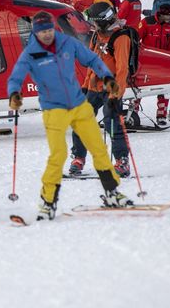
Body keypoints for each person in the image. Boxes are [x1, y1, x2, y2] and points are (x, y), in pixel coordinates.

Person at [7, 11, 130, 221]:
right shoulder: (31, 53)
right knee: (59, 155)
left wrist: (107, 77)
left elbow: (92, 59)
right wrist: (14, 94)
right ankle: (48, 202)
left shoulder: (67, 43)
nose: (46, 35)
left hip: (78, 104)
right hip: (54, 109)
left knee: (98, 149)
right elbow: (15, 77)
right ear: (36, 33)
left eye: (48, 30)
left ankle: (112, 193)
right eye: (42, 32)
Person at [70, 3, 132, 178]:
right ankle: (78, 157)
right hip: (94, 86)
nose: (93, 26)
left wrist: (115, 94)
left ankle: (121, 161)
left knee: (112, 122)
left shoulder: (120, 37)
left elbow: (122, 69)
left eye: (95, 22)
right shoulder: (97, 36)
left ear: (104, 21)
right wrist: (84, 86)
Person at [139, 4, 170, 125]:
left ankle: (162, 114)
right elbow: (136, 38)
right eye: (168, 15)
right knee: (139, 87)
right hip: (147, 61)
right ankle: (133, 110)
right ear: (161, 14)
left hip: (162, 61)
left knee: (165, 88)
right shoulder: (146, 22)